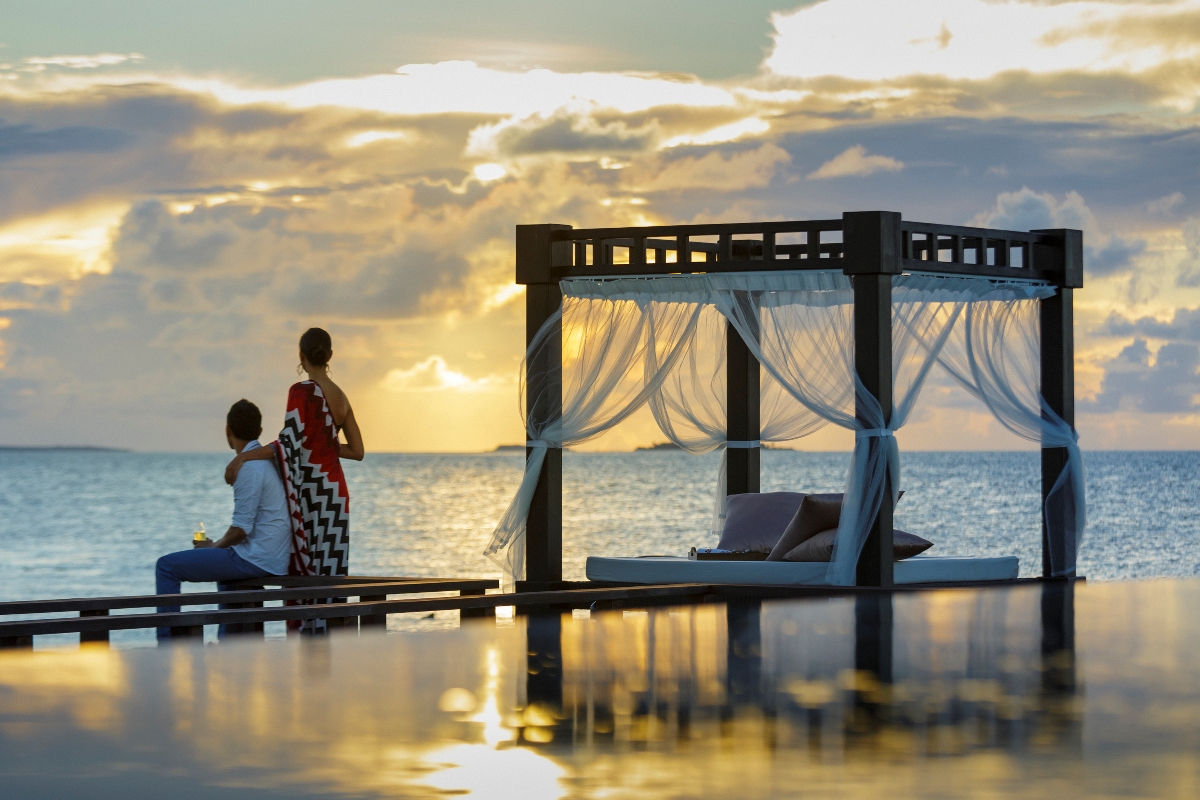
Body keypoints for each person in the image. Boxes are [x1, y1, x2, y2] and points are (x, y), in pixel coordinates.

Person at [225, 327, 364, 581]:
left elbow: (287, 444)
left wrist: (243, 456)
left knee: (307, 570)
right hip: (335, 493)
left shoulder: (301, 391)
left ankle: (310, 621)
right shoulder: (342, 397)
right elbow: (357, 451)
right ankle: (329, 620)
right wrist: (324, 445)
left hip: (312, 491)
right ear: (330, 355)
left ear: (301, 355)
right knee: (330, 569)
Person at [156, 399, 291, 638]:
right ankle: (228, 648)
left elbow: (241, 530)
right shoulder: (263, 462)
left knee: (166, 567)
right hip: (271, 556)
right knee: (224, 570)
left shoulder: (249, 468)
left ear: (227, 430)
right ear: (259, 431)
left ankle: (166, 648)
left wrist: (212, 547)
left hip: (259, 559)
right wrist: (215, 548)